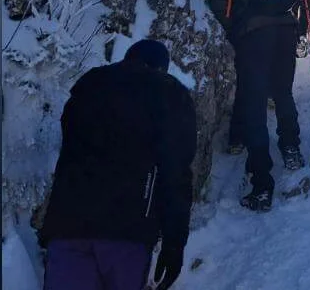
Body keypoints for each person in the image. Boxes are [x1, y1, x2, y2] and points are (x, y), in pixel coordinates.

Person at [39, 39, 196, 290]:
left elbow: (68, 147)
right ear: (161, 68)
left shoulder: (89, 83)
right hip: (128, 229)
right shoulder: (170, 92)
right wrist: (174, 244)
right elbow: (176, 174)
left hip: (68, 224)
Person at [205, 0, 303, 212]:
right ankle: (291, 147)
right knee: (283, 91)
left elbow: (219, 9)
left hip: (253, 37)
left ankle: (261, 184)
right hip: (286, 30)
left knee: (255, 101)